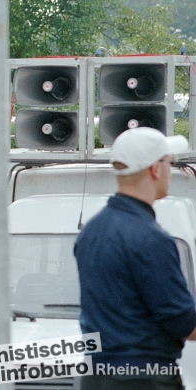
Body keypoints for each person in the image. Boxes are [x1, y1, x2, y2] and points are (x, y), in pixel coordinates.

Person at [74, 128, 196, 390]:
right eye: (170, 162)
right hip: (144, 377)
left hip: (96, 375)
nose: (171, 170)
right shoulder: (151, 239)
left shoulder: (91, 231)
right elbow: (183, 322)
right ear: (155, 169)